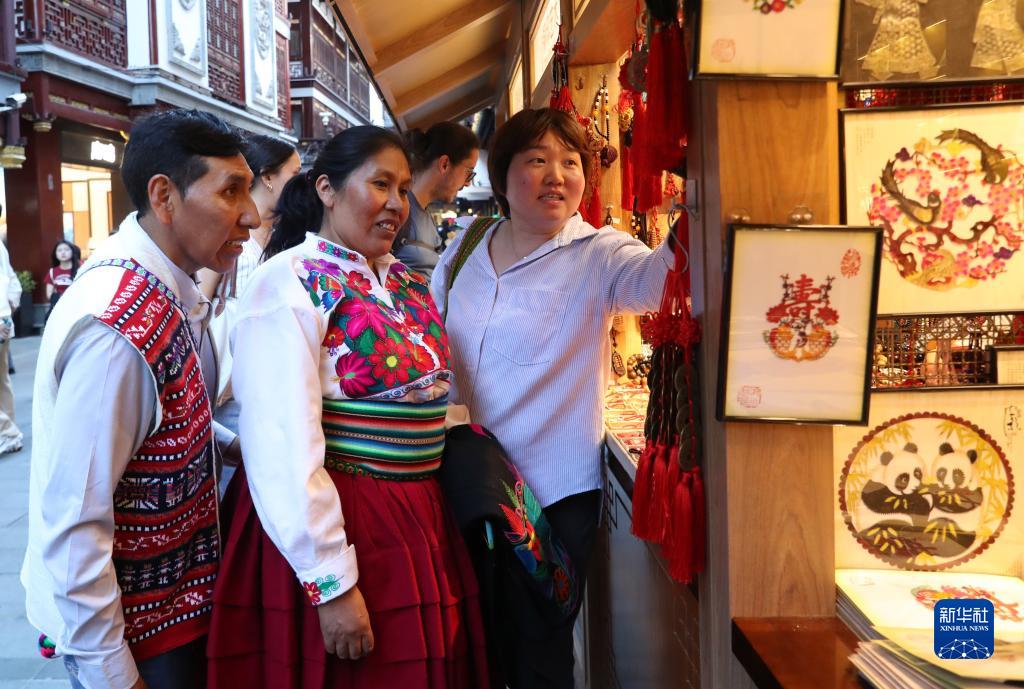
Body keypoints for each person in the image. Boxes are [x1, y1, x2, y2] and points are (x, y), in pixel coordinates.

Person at [206, 126, 490, 689]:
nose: (396, 204)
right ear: (327, 189)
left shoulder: (405, 281)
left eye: (403, 188)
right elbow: (281, 443)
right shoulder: (286, 283)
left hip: (419, 516)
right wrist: (330, 580)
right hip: (342, 518)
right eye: (379, 184)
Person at [431, 108, 675, 688]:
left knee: (538, 653)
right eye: (537, 160)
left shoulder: (599, 254)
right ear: (502, 173)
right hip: (466, 483)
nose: (557, 176)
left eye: (570, 162)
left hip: (551, 494)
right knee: (474, 640)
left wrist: (691, 205)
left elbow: (660, 283)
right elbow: (430, 335)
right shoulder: (466, 246)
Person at [21, 108, 260, 689]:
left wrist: (237, 447)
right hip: (141, 636)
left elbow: (159, 420)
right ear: (164, 196)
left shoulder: (165, 289)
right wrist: (113, 675)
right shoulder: (117, 331)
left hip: (176, 611)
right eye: (231, 191)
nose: (251, 215)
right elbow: (75, 525)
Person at [196, 134, 301, 434]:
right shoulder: (227, 233)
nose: (299, 182)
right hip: (228, 388)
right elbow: (199, 305)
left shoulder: (285, 236)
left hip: (270, 382)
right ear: (267, 177)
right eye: (294, 173)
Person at [392, 122, 479, 280]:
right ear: (445, 164)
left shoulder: (425, 215)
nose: (468, 183)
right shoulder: (398, 209)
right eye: (469, 173)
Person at [0, 227, 22, 454]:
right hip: (3, 317)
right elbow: (11, 280)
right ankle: (8, 432)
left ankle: (8, 432)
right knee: (2, 381)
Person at [44, 240, 82, 311]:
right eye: (59, 250)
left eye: (66, 250)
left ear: (72, 252)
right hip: (59, 309)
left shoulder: (80, 269)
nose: (63, 252)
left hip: (78, 307)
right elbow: (49, 294)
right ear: (55, 254)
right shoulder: (52, 272)